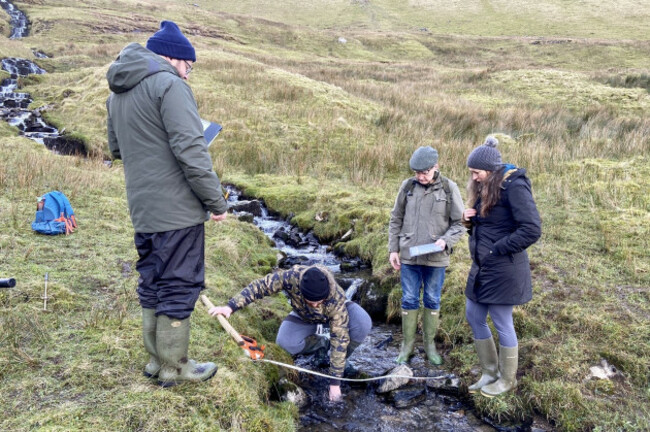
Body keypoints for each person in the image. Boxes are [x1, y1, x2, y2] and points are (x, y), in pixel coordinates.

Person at [106, 20, 229, 387]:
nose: (188, 75)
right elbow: (192, 151)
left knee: (152, 282)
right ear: (173, 58)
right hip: (177, 211)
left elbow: (117, 150)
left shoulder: (117, 93)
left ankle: (154, 362)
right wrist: (216, 202)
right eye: (188, 66)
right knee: (178, 284)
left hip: (142, 209)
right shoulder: (170, 86)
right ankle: (175, 368)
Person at [208, 265, 372, 402]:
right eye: (311, 301)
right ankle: (322, 346)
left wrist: (334, 383)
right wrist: (230, 307)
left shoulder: (335, 298)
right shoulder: (291, 277)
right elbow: (261, 286)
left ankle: (336, 361)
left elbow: (340, 336)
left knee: (362, 322)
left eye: (318, 302)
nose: (315, 305)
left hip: (334, 315)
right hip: (304, 317)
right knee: (285, 343)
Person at [462, 136, 541, 397]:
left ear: (492, 170)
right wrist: (468, 221)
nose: (473, 177)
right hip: (482, 266)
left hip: (504, 268)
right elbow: (487, 224)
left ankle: (508, 380)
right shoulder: (485, 186)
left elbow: (531, 229)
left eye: (477, 172)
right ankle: (490, 372)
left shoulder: (515, 187)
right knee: (473, 314)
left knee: (502, 322)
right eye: (471, 172)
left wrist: (498, 248)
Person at [388, 146, 465, 365]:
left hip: (436, 260)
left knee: (432, 299)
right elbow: (396, 219)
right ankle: (407, 347)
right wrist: (393, 249)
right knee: (409, 299)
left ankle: (430, 346)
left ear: (436, 167)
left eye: (425, 172)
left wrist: (446, 241)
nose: (420, 177)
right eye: (417, 173)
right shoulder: (407, 187)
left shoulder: (449, 188)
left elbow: (459, 224)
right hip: (409, 257)